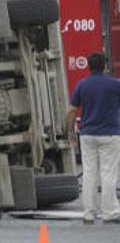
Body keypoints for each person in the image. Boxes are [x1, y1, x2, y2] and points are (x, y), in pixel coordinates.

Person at [65, 52, 120, 225]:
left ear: (88, 66)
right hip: (110, 134)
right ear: (105, 65)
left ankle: (88, 213)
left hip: (87, 134)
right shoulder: (115, 85)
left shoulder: (82, 85)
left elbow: (72, 111)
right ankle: (110, 213)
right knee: (108, 174)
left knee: (89, 174)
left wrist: (69, 130)